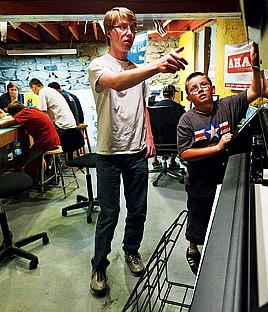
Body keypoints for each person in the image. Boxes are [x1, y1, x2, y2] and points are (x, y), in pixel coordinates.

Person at [88, 7, 187, 297]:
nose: (128, 33)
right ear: (109, 33)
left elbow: (142, 105)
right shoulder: (99, 65)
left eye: (131, 28)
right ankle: (99, 265)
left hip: (136, 151)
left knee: (138, 210)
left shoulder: (137, 69)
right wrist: (157, 66)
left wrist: (151, 136)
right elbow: (118, 83)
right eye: (121, 28)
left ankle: (131, 250)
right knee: (109, 214)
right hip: (108, 153)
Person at [177, 42, 260, 275]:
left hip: (228, 175)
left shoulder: (228, 105)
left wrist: (255, 66)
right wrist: (217, 147)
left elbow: (255, 91)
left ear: (212, 86)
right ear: (190, 96)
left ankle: (220, 249)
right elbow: (185, 153)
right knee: (198, 216)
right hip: (201, 179)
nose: (201, 89)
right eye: (195, 88)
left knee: (225, 213)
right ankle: (192, 249)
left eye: (204, 84)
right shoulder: (187, 120)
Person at [0, 101, 60, 169]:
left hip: (44, 143)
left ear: (14, 113)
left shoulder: (23, 113)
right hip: (53, 140)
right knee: (26, 156)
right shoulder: (33, 110)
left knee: (17, 162)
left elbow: (2, 125)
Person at [150, 84, 185, 170]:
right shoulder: (178, 108)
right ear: (173, 94)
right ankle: (172, 161)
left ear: (163, 94)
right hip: (174, 144)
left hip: (156, 144)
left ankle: (155, 160)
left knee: (156, 131)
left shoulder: (152, 108)